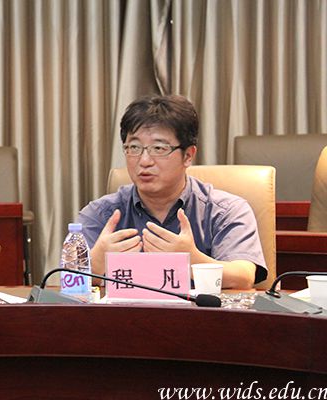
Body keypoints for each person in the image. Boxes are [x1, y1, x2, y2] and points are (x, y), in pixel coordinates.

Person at [77, 94, 267, 289]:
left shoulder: (225, 210)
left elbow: (244, 276)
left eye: (159, 148)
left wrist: (193, 260)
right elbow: (67, 280)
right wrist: (95, 265)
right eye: (134, 147)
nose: (144, 161)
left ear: (188, 156)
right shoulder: (101, 213)